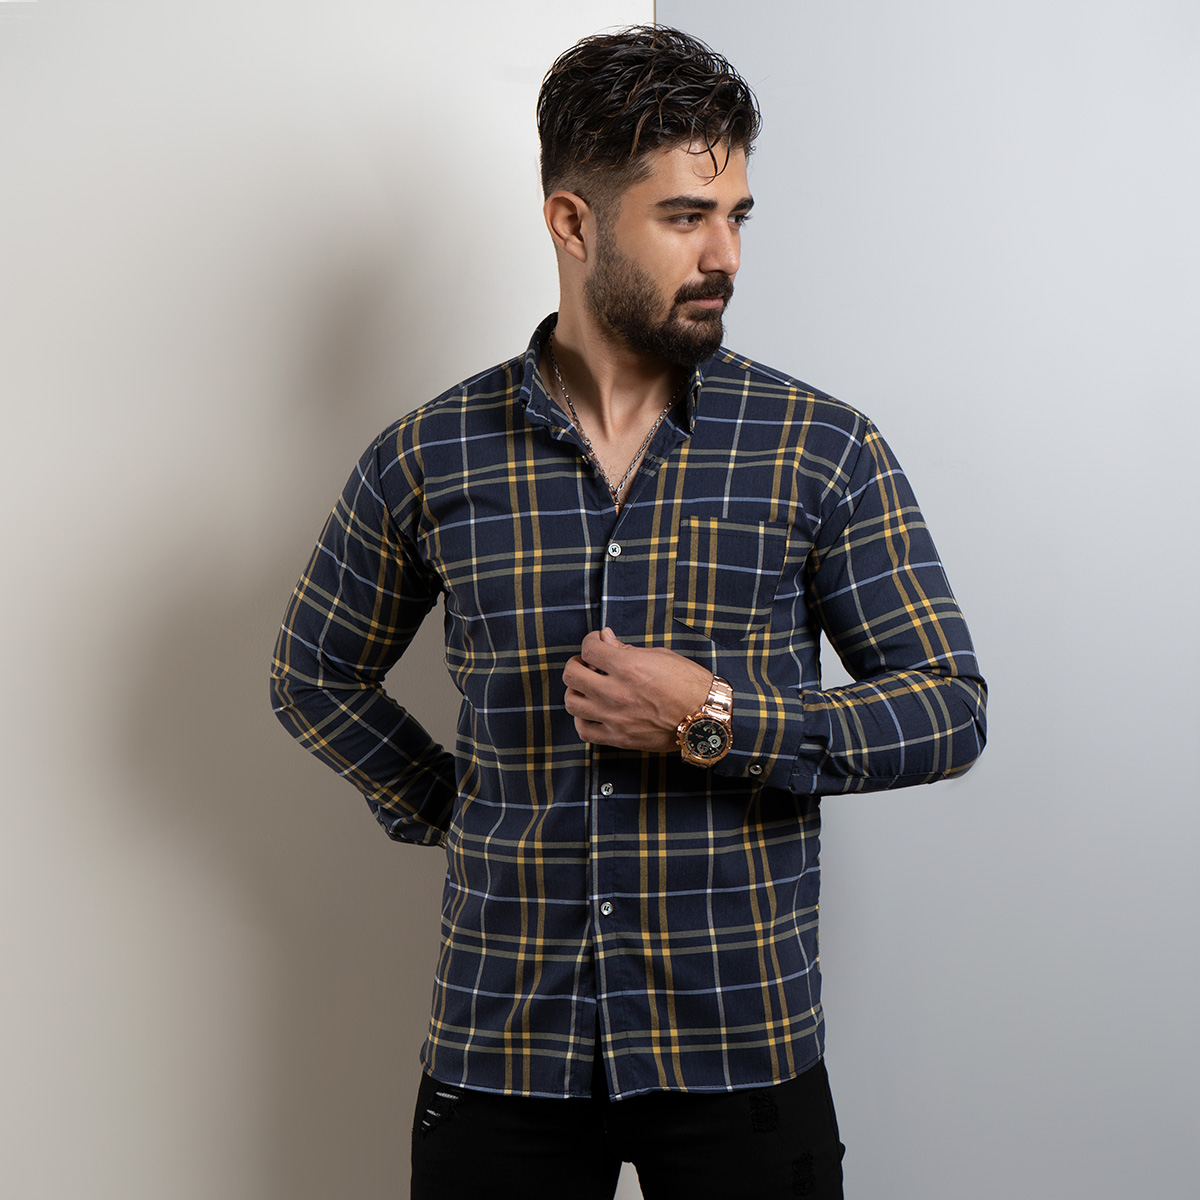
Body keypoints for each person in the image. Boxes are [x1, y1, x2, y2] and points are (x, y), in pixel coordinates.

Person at [271, 24, 986, 1200]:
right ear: (573, 222)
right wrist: (454, 809)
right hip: (503, 1047)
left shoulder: (819, 447)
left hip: (740, 1044)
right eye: (685, 216)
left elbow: (949, 709)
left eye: (737, 215)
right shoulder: (429, 454)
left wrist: (714, 719)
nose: (726, 254)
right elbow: (313, 674)